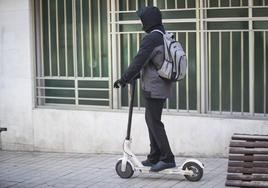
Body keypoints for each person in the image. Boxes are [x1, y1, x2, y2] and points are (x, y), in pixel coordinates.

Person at [113, 6, 175, 172]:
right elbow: (153, 63)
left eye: (143, 20)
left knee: (154, 122)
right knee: (151, 120)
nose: (142, 23)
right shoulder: (162, 34)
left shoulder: (152, 38)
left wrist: (124, 79)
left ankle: (167, 158)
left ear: (149, 21)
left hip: (154, 87)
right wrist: (133, 77)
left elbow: (139, 61)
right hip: (159, 85)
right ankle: (155, 156)